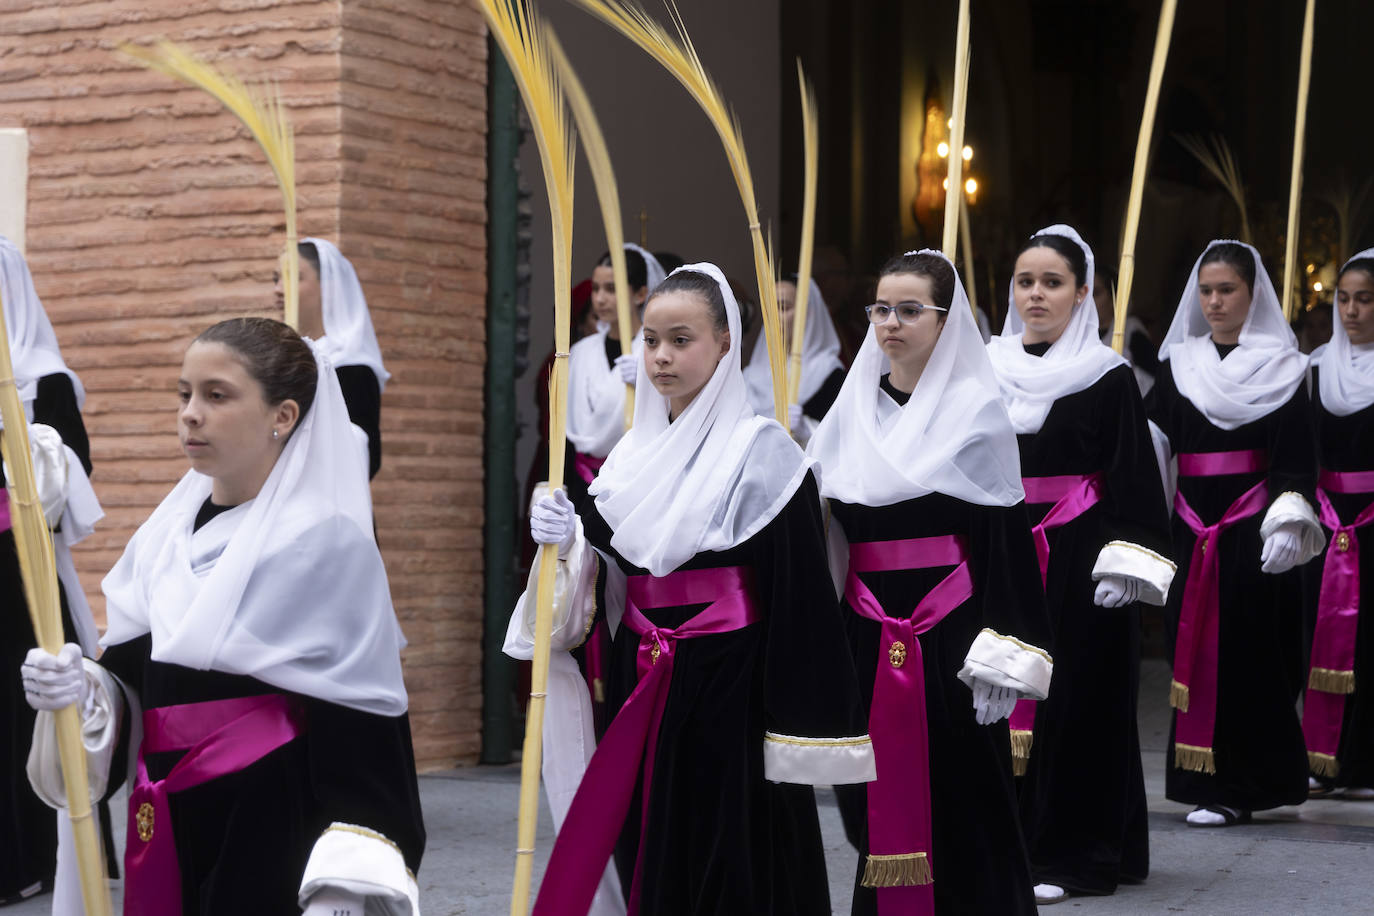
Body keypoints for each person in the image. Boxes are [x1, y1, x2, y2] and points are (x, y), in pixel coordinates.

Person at [21, 317, 425, 914]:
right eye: (184, 393)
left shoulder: (327, 542)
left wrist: (350, 868)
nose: (190, 413)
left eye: (217, 395)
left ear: (281, 416)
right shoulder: (165, 537)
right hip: (166, 810)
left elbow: (362, 721)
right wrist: (84, 688)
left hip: (273, 820)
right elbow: (141, 678)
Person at [507, 263, 874, 915]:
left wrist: (802, 722)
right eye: (650, 340)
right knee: (651, 843)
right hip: (643, 679)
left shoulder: (765, 455)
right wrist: (566, 538)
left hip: (734, 688)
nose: (661, 357)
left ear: (725, 343)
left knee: (733, 857)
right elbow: (610, 577)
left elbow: (801, 598)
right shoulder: (628, 460)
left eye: (681, 339)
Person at [809, 249, 1053, 915]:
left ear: (946, 323)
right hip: (866, 631)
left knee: (968, 792)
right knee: (870, 796)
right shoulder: (847, 409)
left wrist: (1007, 654)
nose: (891, 322)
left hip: (954, 636)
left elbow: (1004, 545)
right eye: (881, 309)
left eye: (909, 310)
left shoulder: (975, 411)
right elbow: (821, 532)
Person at [986, 226, 1175, 904]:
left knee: (1083, 701)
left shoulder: (1107, 374)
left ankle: (1081, 851)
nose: (1036, 294)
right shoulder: (984, 367)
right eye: (1025, 281)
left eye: (1052, 282)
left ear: (1083, 293)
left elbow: (1133, 474)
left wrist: (1124, 560)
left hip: (1080, 555)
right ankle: (1013, 840)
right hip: (1007, 552)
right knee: (999, 692)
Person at [1148, 240, 1324, 828]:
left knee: (1250, 654)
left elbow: (1296, 458)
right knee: (1190, 653)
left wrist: (1288, 515)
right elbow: (1152, 441)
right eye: (1207, 291)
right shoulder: (1181, 365)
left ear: (1253, 295)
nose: (1216, 301)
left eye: (1228, 290)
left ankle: (1246, 784)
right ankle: (1201, 781)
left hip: (1253, 533)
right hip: (1190, 531)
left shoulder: (1283, 367)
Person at [0, 237, 104, 909]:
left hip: (18, 575)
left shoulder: (42, 375)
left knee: (17, 714)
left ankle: (23, 860)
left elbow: (73, 472)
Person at [1303, 250, 1374, 799]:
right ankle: (1325, 760)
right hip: (1329, 527)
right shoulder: (1316, 369)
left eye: (1365, 299)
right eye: (1343, 299)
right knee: (1321, 639)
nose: (1351, 311)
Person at [275, 239, 390, 479]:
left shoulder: (352, 368)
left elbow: (364, 459)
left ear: (329, 286)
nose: (278, 289)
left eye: (293, 277)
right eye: (276, 278)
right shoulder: (278, 360)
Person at [563, 244, 666, 508]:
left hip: (634, 482)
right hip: (580, 480)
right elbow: (565, 427)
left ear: (641, 293)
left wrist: (647, 382)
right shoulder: (581, 351)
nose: (599, 298)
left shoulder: (653, 350)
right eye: (596, 288)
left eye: (611, 289)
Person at [743, 275, 846, 444]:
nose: (774, 317)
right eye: (769, 308)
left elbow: (842, 438)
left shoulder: (829, 374)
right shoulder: (751, 374)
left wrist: (806, 430)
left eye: (783, 307)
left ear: (808, 313)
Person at [1094, 261, 1160, 395]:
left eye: (1096, 293)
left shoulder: (1129, 329)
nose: (1089, 301)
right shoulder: (1079, 335)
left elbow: (1156, 376)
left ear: (1114, 297)